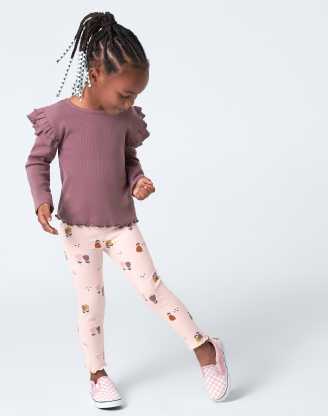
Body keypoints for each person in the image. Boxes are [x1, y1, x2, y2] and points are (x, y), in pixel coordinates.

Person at [24, 11, 230, 409]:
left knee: (151, 288)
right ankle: (97, 374)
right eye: (125, 95)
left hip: (120, 226)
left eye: (136, 96)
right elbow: (37, 162)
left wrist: (138, 181)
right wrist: (42, 200)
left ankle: (206, 349)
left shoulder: (122, 118)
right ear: (96, 74)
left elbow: (129, 160)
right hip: (76, 230)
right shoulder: (60, 117)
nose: (131, 103)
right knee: (91, 305)